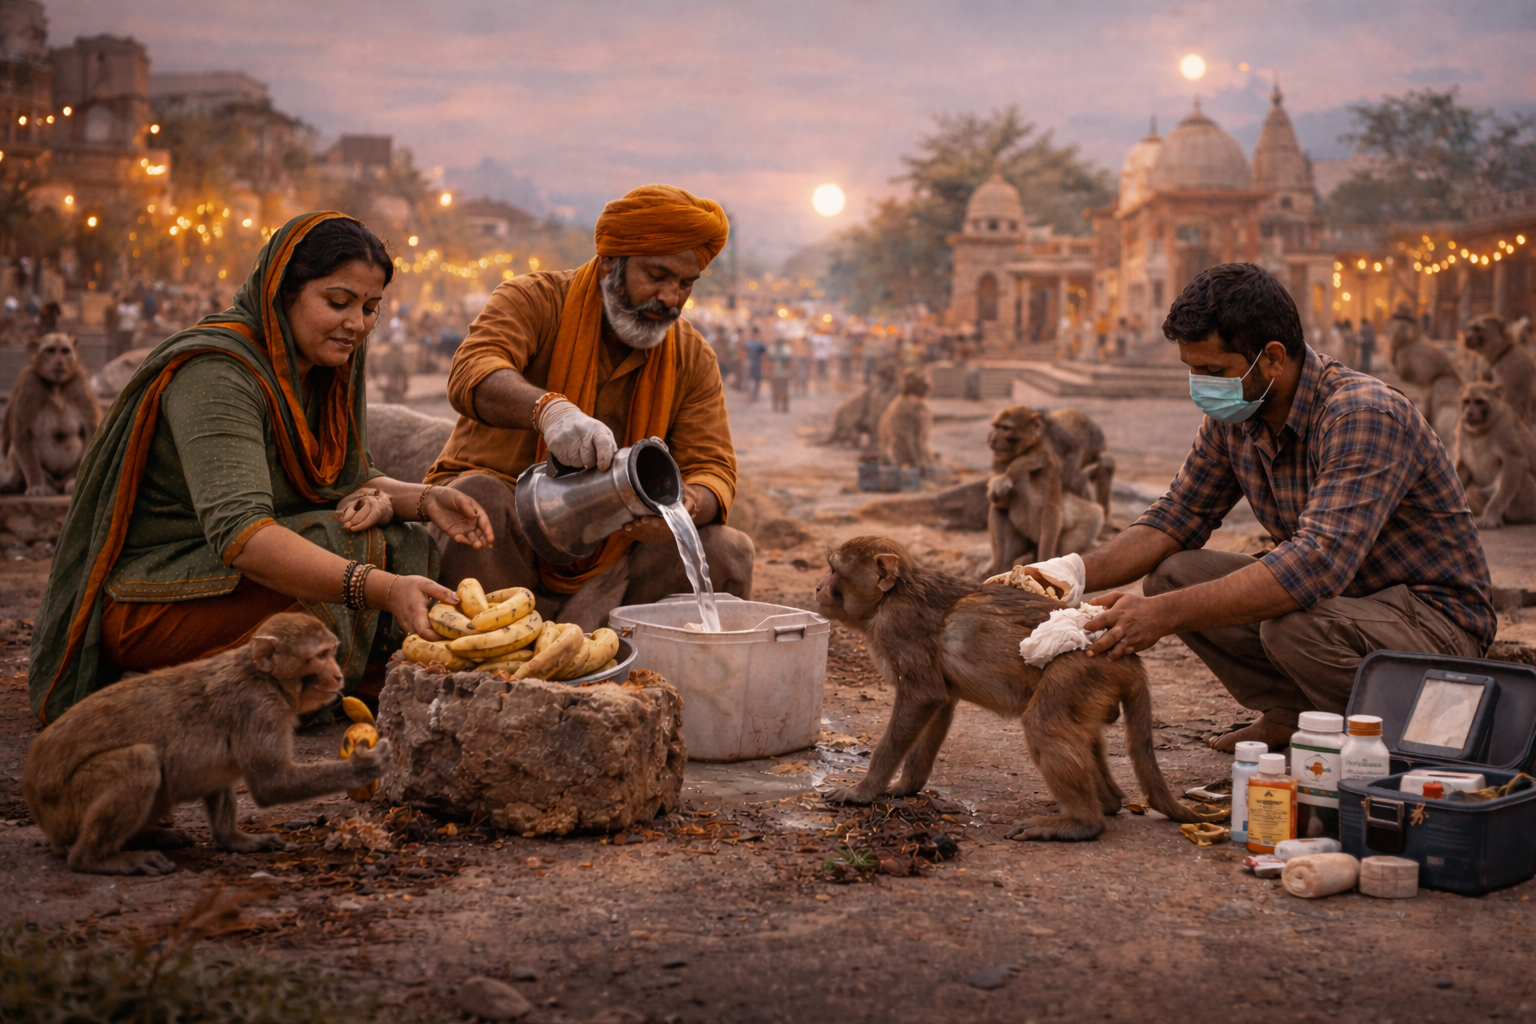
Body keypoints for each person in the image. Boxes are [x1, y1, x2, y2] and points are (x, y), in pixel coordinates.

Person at [28, 213, 493, 724]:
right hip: (151, 601)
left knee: (405, 539)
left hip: (235, 587)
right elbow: (245, 538)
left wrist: (428, 500)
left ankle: (359, 677)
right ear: (281, 292)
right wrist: (382, 588)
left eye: (369, 308)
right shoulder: (216, 375)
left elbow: (348, 479)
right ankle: (316, 687)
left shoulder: (326, 369)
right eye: (338, 303)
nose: (356, 323)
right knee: (349, 546)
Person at [1028, 263, 1491, 754]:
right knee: (1175, 575)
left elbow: (1315, 565)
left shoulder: (1361, 414)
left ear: (1271, 358)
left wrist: (1160, 617)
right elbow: (1177, 516)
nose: (1200, 386)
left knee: (1289, 625)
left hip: (1434, 622)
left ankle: (1387, 743)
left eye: (1212, 372)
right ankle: (1293, 716)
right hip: (1342, 607)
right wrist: (1066, 573)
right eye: (1192, 370)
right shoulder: (1239, 415)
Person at [424, 185, 753, 631]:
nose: (672, 299)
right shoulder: (533, 300)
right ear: (610, 263)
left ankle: (658, 680)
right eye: (657, 276)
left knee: (725, 550)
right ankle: (480, 668)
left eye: (685, 284)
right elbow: (474, 370)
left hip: (616, 555)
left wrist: (686, 506)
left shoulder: (692, 356)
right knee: (476, 496)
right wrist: (549, 411)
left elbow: (713, 467)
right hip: (506, 536)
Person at [769, 336, 793, 412]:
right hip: (780, 374)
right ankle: (781, 407)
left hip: (778, 373)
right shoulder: (785, 348)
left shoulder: (776, 349)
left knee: (779, 390)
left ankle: (779, 407)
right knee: (781, 390)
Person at [744, 326, 767, 400]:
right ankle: (753, 396)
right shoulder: (757, 342)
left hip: (750, 363)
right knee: (755, 380)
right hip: (755, 364)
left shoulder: (749, 342)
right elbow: (764, 349)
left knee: (751, 380)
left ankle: (752, 396)